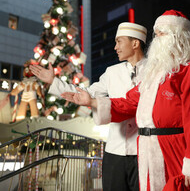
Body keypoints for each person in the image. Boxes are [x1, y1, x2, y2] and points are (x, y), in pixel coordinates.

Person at [61, 10, 190, 191]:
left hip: (174, 148)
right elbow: (130, 102)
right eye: (156, 34)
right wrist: (91, 102)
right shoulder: (153, 73)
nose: (157, 39)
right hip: (146, 148)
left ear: (177, 37)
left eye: (162, 33)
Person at [30, 22, 147, 191]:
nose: (115, 47)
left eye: (119, 42)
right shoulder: (112, 72)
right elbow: (87, 93)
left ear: (135, 43)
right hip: (115, 151)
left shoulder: (155, 70)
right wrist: (54, 82)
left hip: (144, 151)